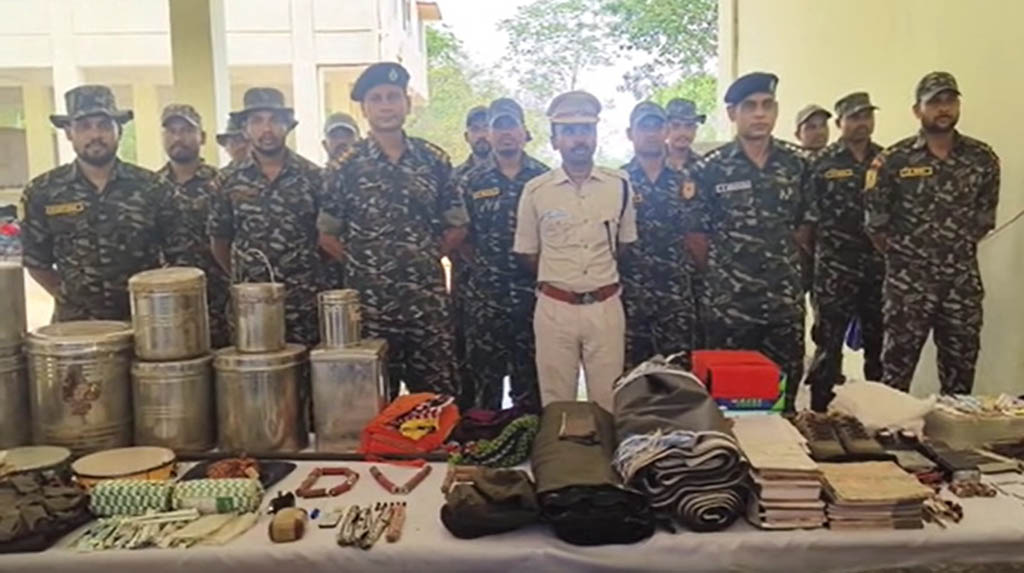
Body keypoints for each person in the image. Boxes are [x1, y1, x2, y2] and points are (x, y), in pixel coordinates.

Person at [322, 62, 468, 397]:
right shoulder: (345, 166)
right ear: (364, 109)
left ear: (407, 103)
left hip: (426, 308)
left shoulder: (433, 160)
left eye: (393, 97)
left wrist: (422, 256)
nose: (386, 105)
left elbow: (458, 224)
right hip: (369, 312)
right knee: (370, 403)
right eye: (376, 98)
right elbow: (327, 236)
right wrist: (366, 265)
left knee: (436, 403)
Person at [686, 72, 815, 412]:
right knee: (728, 400)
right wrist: (724, 276)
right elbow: (696, 238)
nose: (760, 114)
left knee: (782, 398)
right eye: (750, 106)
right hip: (730, 306)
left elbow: (804, 229)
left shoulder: (798, 165)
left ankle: (784, 446)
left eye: (767, 105)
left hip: (783, 303)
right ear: (733, 113)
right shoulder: (709, 170)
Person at [865, 71, 999, 395]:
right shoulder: (892, 161)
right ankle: (891, 425)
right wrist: (914, 256)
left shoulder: (982, 158)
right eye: (934, 102)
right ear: (917, 110)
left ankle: (952, 428)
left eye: (950, 100)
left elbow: (983, 219)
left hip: (960, 284)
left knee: (960, 374)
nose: (943, 108)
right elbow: (876, 226)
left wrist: (949, 249)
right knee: (896, 374)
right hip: (907, 285)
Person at [513, 90, 637, 413]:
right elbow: (527, 253)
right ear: (555, 141)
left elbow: (624, 245)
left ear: (595, 136)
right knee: (557, 403)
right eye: (568, 131)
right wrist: (563, 280)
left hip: (605, 307)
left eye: (586, 129)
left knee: (608, 403)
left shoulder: (619, 185)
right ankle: (560, 449)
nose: (578, 138)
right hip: (555, 308)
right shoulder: (536, 191)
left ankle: (605, 448)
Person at [20, 85, 180, 322]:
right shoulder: (42, 192)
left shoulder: (153, 187)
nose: (95, 135)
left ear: (119, 131)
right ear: (69, 133)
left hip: (143, 322)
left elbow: (177, 258)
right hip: (76, 327)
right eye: (84, 126)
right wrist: (70, 299)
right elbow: (36, 262)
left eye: (104, 125)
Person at [208, 87, 325, 346]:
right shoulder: (227, 181)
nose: (267, 129)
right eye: (257, 121)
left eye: (274, 120)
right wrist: (246, 276)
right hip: (250, 307)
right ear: (245, 129)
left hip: (304, 306)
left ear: (287, 126)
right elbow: (219, 242)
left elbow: (324, 239)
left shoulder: (314, 178)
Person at [455, 97, 549, 412]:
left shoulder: (544, 179)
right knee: (484, 389)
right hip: (486, 301)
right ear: (490, 134)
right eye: (498, 127)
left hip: (532, 298)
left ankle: (531, 436)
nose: (506, 134)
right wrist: (486, 267)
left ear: (524, 132)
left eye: (512, 126)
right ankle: (486, 439)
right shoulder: (469, 181)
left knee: (532, 385)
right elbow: (461, 236)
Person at [804, 92, 884, 411]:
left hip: (878, 269)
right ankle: (819, 414)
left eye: (866, 116)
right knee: (829, 346)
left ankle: (879, 413)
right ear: (840, 123)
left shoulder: (887, 160)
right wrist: (823, 255)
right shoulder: (820, 163)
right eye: (854, 117)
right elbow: (805, 222)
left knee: (879, 346)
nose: (862, 123)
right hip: (834, 269)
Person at [620, 101, 695, 369]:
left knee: (678, 377)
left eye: (657, 127)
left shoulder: (687, 179)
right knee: (631, 378)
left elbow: (700, 237)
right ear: (630, 133)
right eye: (644, 127)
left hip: (676, 300)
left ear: (666, 131)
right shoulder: (617, 181)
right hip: (630, 299)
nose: (651, 134)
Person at [156, 104, 231, 348]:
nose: (178, 138)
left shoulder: (222, 183)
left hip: (219, 303)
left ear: (203, 137)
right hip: (167, 305)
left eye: (187, 130)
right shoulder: (150, 188)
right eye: (172, 131)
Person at [665, 97, 709, 348]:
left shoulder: (708, 169)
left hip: (698, 278)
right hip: (656, 278)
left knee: (697, 347)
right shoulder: (649, 166)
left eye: (690, 126)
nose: (683, 133)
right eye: (677, 126)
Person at [318, 112, 362, 290]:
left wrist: (361, 268)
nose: (341, 142)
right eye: (335, 136)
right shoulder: (312, 180)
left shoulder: (370, 181)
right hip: (322, 279)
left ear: (358, 141)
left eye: (347, 136)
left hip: (366, 279)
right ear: (325, 144)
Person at [664, 98, 706, 171]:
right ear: (665, 129)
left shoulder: (703, 166)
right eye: (676, 126)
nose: (682, 133)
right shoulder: (652, 161)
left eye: (688, 126)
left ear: (695, 129)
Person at [452, 106, 492, 181]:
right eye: (475, 129)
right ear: (466, 137)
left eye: (486, 129)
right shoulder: (455, 176)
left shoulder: (509, 170)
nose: (481, 135)